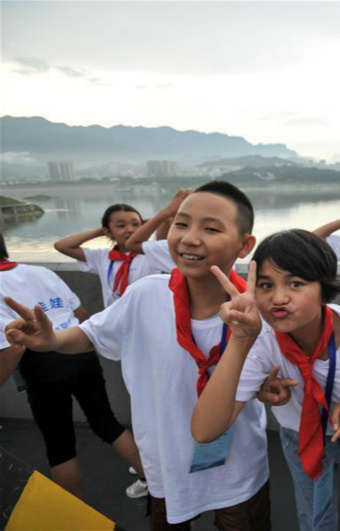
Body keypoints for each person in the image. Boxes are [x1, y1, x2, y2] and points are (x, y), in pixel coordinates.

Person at [5, 182, 271, 530]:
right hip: (165, 464)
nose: (190, 238)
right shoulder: (146, 295)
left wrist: (271, 387)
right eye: (181, 224)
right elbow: (92, 333)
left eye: (211, 229)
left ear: (244, 245)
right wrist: (54, 340)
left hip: (238, 469)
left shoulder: (259, 317)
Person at [192, 229, 340, 531]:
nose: (278, 298)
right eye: (266, 285)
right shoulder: (260, 341)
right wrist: (240, 339)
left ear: (323, 286)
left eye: (296, 283)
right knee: (315, 514)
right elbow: (205, 431)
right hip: (299, 434)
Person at [0, 232, 146, 500]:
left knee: (59, 444)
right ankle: (152, 483)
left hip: (41, 363)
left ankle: (79, 513)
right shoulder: (41, 272)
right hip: (78, 348)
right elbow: (81, 314)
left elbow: (12, 347)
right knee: (106, 422)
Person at [52, 194, 183, 307]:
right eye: (121, 225)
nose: (130, 230)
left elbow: (166, 222)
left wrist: (148, 224)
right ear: (108, 232)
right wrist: (102, 231)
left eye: (136, 224)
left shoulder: (150, 251)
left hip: (147, 315)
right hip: (115, 319)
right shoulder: (102, 256)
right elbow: (62, 246)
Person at [125, 188, 194, 271]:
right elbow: (161, 240)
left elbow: (132, 245)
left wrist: (168, 211)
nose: (129, 230)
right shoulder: (170, 247)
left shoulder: (176, 247)